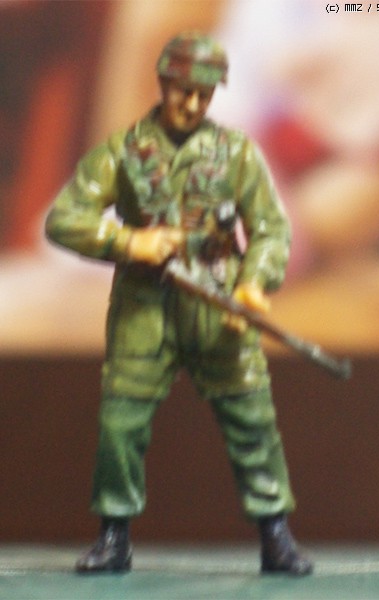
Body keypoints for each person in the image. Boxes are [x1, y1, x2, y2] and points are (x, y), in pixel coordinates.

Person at [45, 31, 312, 576]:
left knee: (252, 420)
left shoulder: (235, 154)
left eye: (204, 94)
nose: (192, 104)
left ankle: (275, 535)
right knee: (121, 424)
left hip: (217, 306)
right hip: (144, 307)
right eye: (182, 91)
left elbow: (270, 228)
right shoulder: (123, 152)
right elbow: (64, 220)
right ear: (163, 83)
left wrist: (254, 284)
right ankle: (113, 535)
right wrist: (128, 242)